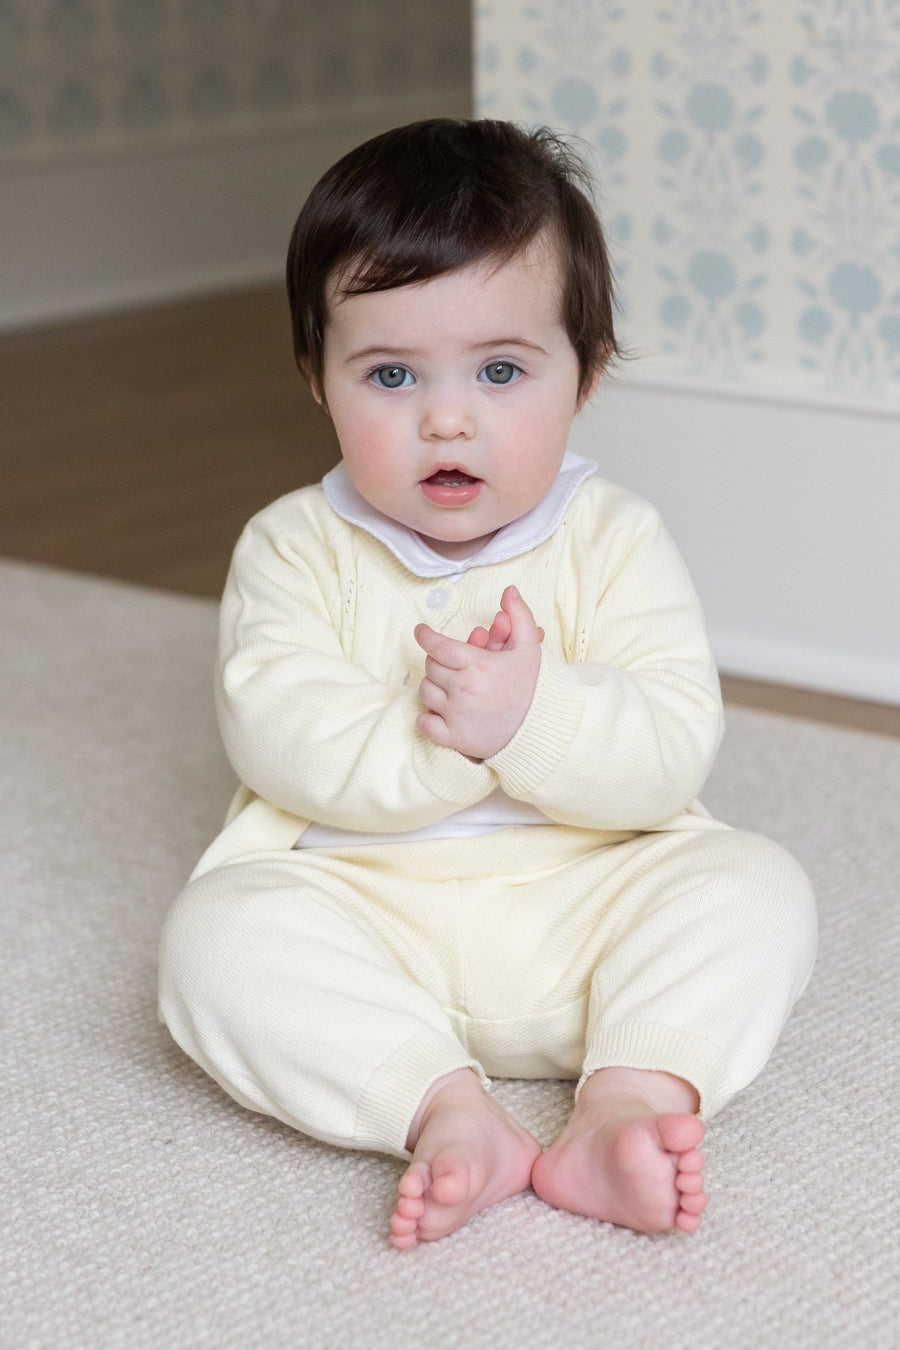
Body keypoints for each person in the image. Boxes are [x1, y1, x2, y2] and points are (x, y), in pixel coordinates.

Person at [158, 118, 817, 1249]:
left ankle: (627, 1097)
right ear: (317, 379)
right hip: (371, 910)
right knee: (212, 941)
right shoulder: (292, 547)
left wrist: (533, 716)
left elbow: (669, 744)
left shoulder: (615, 538)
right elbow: (279, 731)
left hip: (589, 906)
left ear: (587, 372)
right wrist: (447, 738)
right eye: (392, 373)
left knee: (756, 885)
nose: (448, 416)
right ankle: (443, 1108)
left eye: (502, 370)